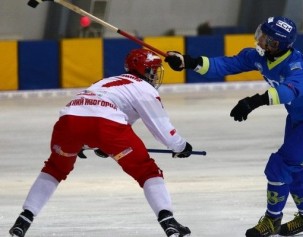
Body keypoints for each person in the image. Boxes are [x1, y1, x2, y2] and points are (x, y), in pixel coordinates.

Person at [164, 16, 303, 237]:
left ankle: (272, 220)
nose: (262, 42)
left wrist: (253, 101)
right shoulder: (259, 56)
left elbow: (287, 92)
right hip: (298, 118)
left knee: (280, 166)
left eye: (269, 40)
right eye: (262, 35)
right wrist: (188, 62)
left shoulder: (299, 66)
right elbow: (225, 64)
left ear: (281, 45)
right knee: (297, 172)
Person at [9, 48, 193, 237]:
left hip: (69, 121)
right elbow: (161, 127)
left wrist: (92, 144)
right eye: (153, 70)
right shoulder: (144, 88)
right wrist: (180, 147)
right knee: (147, 171)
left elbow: (95, 113)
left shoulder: (104, 82)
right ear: (144, 70)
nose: (155, 75)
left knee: (55, 168)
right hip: (106, 126)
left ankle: (23, 220)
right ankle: (168, 223)